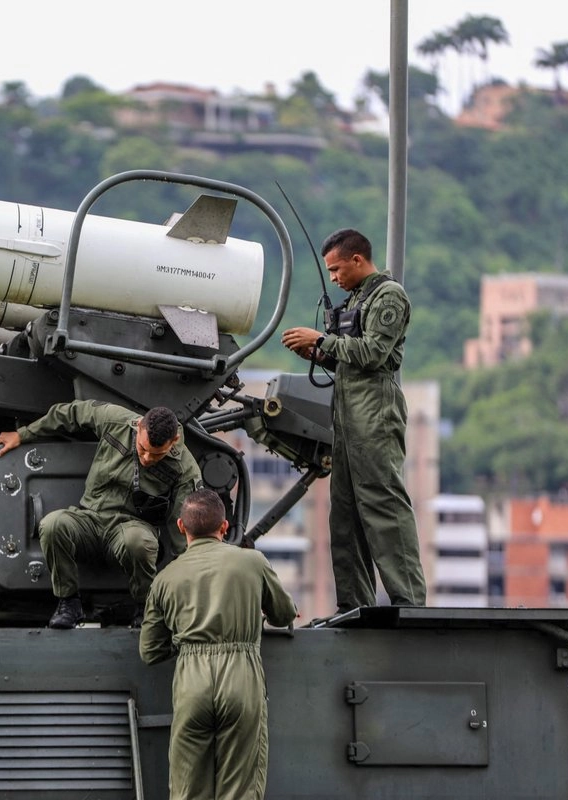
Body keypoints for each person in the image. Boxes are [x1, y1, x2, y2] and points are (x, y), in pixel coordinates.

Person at [280, 227, 426, 613]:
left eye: (337, 269)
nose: (334, 278)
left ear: (358, 260)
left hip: (374, 412)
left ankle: (408, 600)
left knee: (383, 505)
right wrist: (316, 352)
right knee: (344, 516)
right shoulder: (357, 299)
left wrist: (322, 341)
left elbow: (375, 352)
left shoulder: (388, 296)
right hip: (347, 414)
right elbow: (348, 355)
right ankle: (353, 603)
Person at [140, 488, 296, 800]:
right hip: (241, 677)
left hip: (191, 682)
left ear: (181, 527)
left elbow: (150, 651)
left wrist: (186, 640)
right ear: (224, 528)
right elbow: (283, 614)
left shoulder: (166, 578)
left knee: (187, 790)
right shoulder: (252, 562)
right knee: (240, 789)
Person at [0, 400, 202, 629]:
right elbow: (71, 413)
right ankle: (69, 603)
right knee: (53, 525)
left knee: (138, 543)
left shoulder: (184, 469)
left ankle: (146, 607)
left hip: (130, 527)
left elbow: (183, 526)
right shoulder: (115, 421)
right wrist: (23, 435)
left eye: (156, 455)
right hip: (90, 517)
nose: (146, 459)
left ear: (175, 441)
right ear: (138, 426)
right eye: (142, 449)